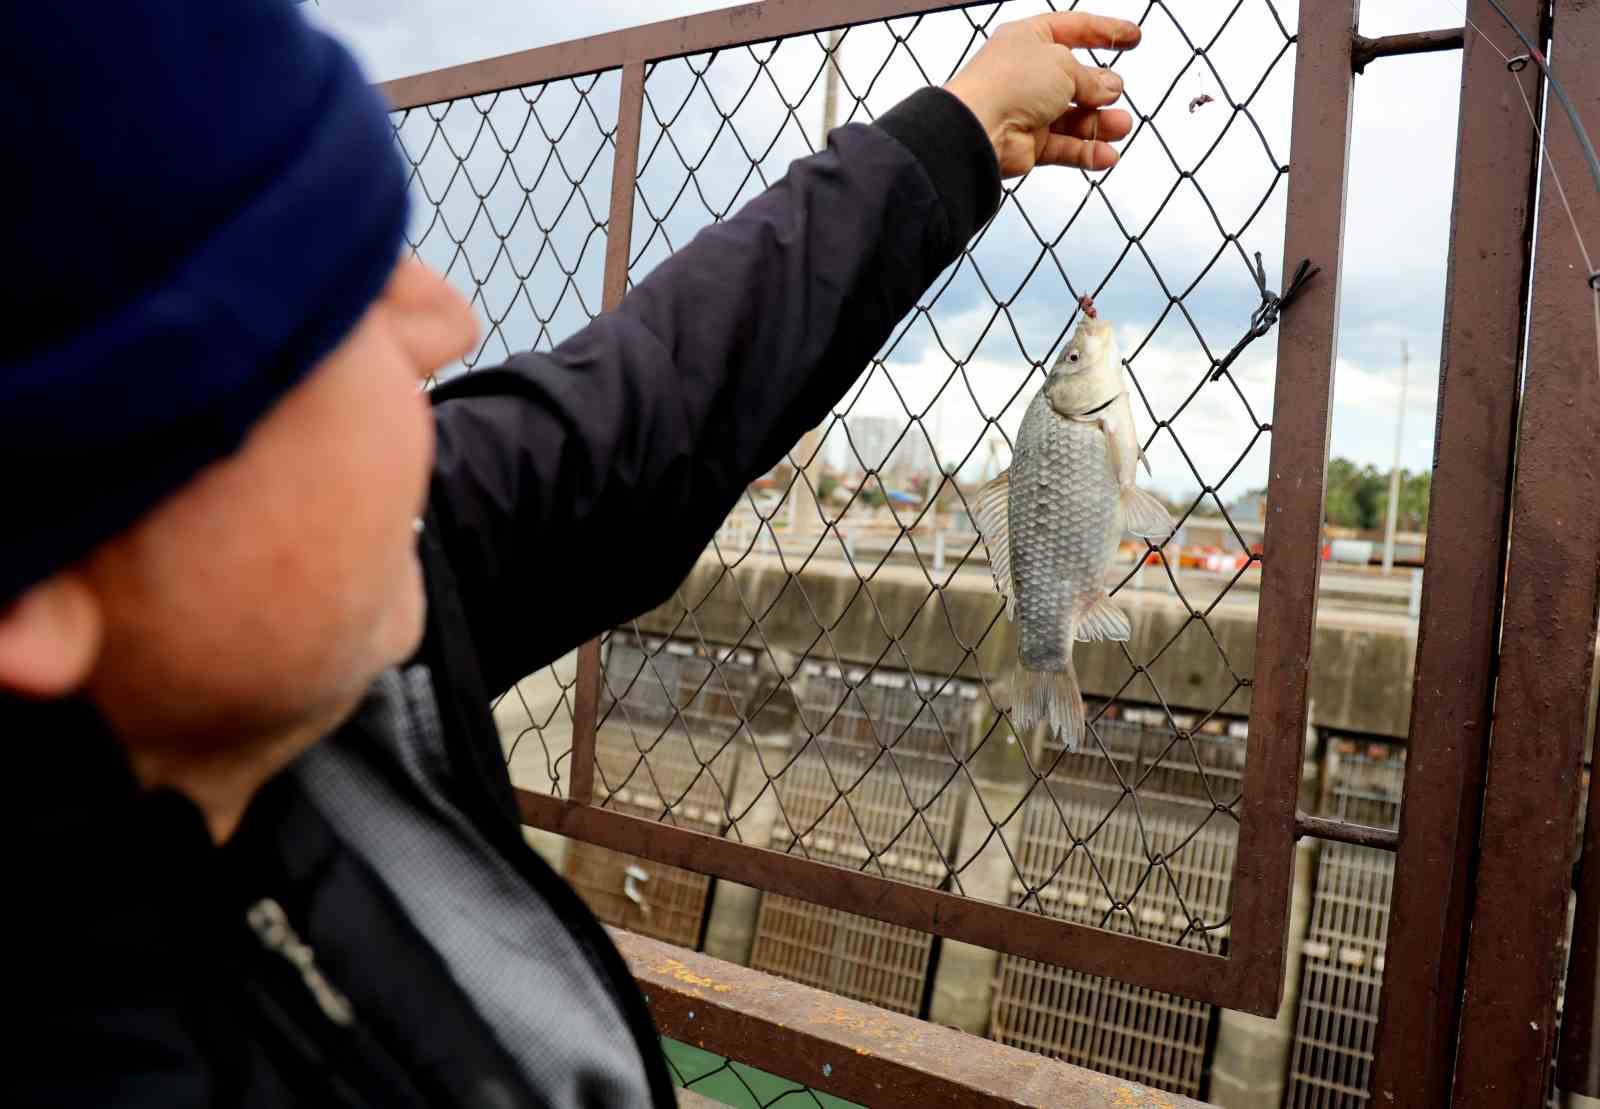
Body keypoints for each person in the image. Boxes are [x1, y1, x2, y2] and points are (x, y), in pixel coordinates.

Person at [2, 3, 1138, 1105]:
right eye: (324, 311)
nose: (444, 322)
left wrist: (956, 131)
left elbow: (644, 412)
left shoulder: (277, 633)